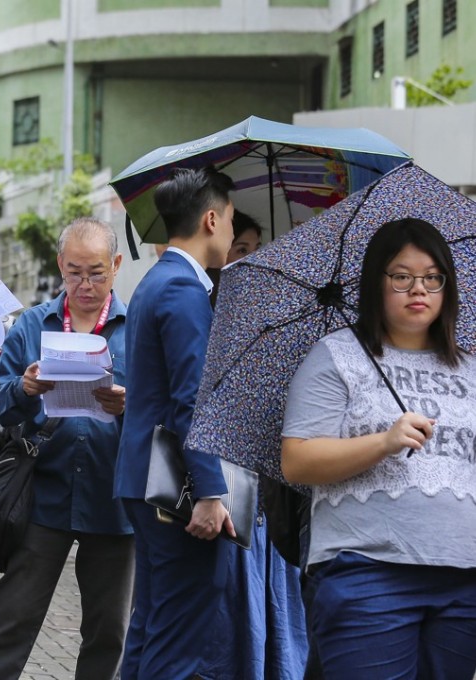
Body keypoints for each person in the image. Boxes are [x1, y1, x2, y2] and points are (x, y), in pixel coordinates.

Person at [282, 218, 476, 678]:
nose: (419, 289)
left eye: (432, 277)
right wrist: (383, 442)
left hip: (464, 579)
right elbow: (298, 460)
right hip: (368, 573)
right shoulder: (336, 357)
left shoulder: (468, 368)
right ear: (376, 282)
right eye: (402, 276)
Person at [0, 217, 132, 680]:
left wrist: (128, 405)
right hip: (43, 493)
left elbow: (162, 410)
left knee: (109, 630)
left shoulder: (135, 328)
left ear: (116, 266)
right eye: (75, 271)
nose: (85, 284)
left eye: (97, 272)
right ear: (60, 265)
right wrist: (23, 388)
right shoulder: (31, 325)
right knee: (11, 619)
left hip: (113, 497)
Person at [115, 166, 237, 679]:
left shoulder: (156, 281)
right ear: (211, 219)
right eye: (231, 221)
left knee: (153, 621)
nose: (232, 233)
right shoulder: (185, 290)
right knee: (179, 633)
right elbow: (192, 401)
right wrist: (211, 492)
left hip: (147, 476)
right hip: (176, 488)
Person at [197, 209, 309, 680]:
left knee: (275, 614)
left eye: (257, 249)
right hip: (225, 492)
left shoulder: (282, 317)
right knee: (230, 620)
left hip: (271, 490)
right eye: (241, 249)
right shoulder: (202, 316)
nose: (251, 260)